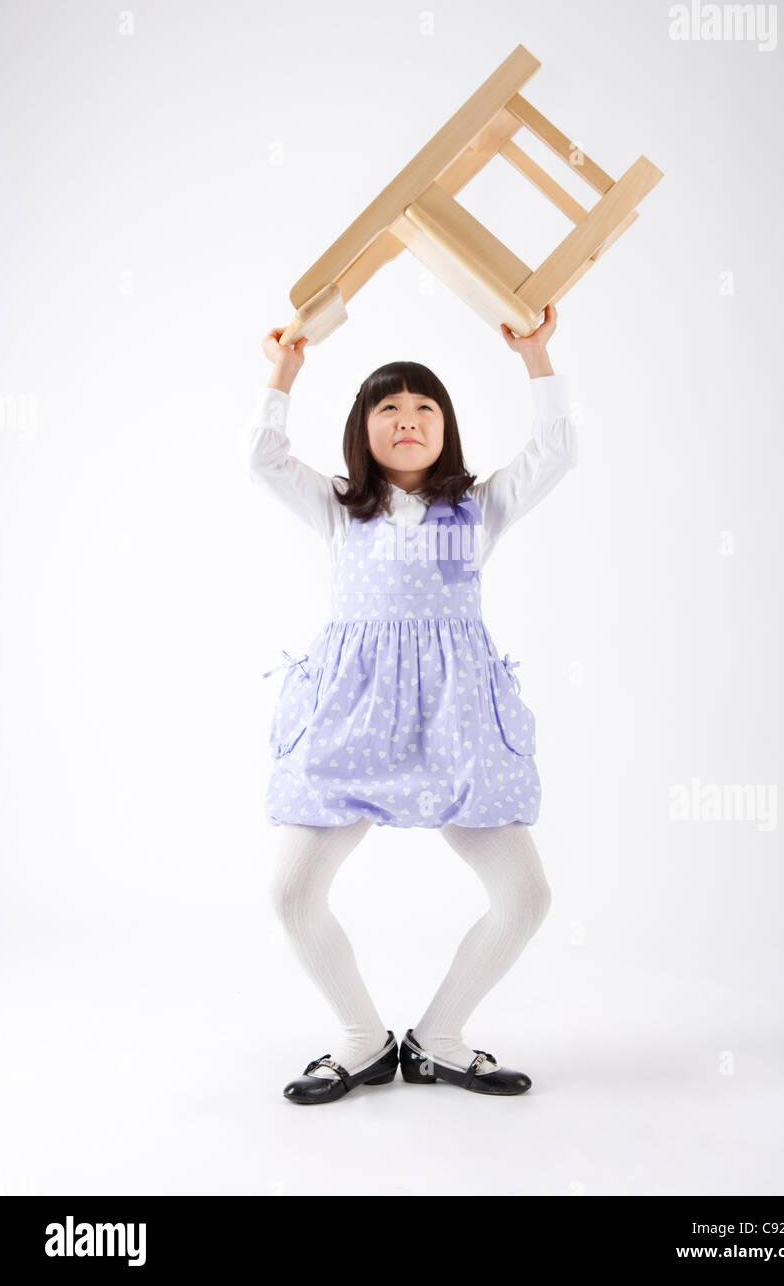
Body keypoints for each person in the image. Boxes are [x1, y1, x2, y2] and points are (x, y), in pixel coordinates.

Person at [246, 302, 577, 1103]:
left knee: (526, 896)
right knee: (292, 892)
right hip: (353, 718)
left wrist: (535, 353)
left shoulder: (478, 507)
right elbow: (262, 457)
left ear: (447, 429)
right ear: (362, 429)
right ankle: (363, 1042)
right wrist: (288, 365)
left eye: (424, 407)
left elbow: (557, 451)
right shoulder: (338, 506)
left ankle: (439, 1039)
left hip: (456, 722)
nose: (406, 419)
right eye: (386, 407)